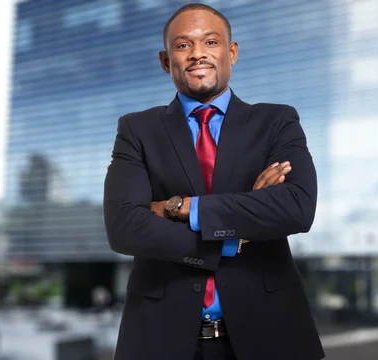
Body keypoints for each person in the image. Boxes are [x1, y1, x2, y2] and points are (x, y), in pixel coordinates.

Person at [103, 3, 324, 360]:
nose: (197, 54)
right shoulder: (136, 130)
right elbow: (125, 227)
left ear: (231, 52)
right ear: (165, 60)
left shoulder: (277, 121)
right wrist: (234, 233)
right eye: (183, 45)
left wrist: (181, 208)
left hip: (271, 334)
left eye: (210, 41)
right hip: (160, 340)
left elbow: (297, 206)